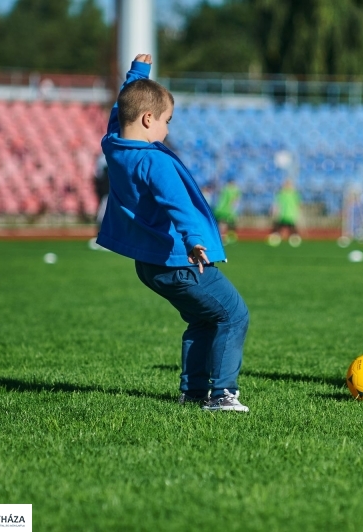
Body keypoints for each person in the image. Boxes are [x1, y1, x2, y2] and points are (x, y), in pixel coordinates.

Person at [96, 54, 249, 412]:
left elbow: (121, 112)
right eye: (167, 121)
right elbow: (178, 204)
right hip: (179, 259)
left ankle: (194, 393)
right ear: (149, 119)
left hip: (149, 263)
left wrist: (137, 75)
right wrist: (195, 240)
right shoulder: (155, 160)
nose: (167, 130)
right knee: (234, 314)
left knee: (202, 318)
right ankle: (223, 394)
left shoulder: (113, 145)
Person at [269, 179, 302, 247]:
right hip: (282, 215)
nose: (287, 186)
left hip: (290, 215)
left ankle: (295, 240)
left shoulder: (294, 195)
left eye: (288, 185)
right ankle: (275, 239)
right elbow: (276, 204)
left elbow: (298, 205)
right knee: (277, 228)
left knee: (292, 229)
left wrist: (298, 213)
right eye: (286, 184)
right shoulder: (280, 194)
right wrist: (275, 211)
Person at [213, 179, 241, 243]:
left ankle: (223, 236)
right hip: (226, 210)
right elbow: (235, 201)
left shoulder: (225, 189)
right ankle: (224, 237)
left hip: (222, 209)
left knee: (223, 223)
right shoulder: (234, 190)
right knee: (224, 223)